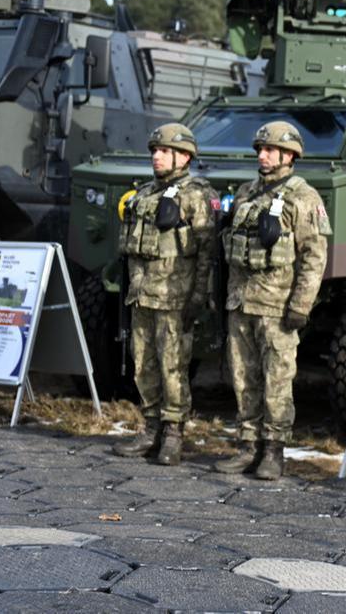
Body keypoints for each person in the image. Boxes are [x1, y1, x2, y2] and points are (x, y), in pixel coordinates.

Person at [215, 121, 330, 480]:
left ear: (288, 154)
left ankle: (274, 451)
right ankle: (248, 445)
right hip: (241, 304)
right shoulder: (248, 192)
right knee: (243, 378)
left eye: (268, 149)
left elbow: (314, 257)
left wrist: (300, 305)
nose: (261, 155)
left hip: (277, 308)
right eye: (259, 149)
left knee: (277, 381)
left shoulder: (303, 197)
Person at [112, 123, 219, 466]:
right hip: (141, 296)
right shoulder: (144, 194)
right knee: (143, 364)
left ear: (184, 156)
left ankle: (173, 433)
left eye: (163, 151)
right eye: (153, 151)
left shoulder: (196, 195)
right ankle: (151, 427)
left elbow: (206, 252)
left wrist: (198, 297)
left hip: (175, 298)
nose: (155, 157)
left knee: (173, 367)